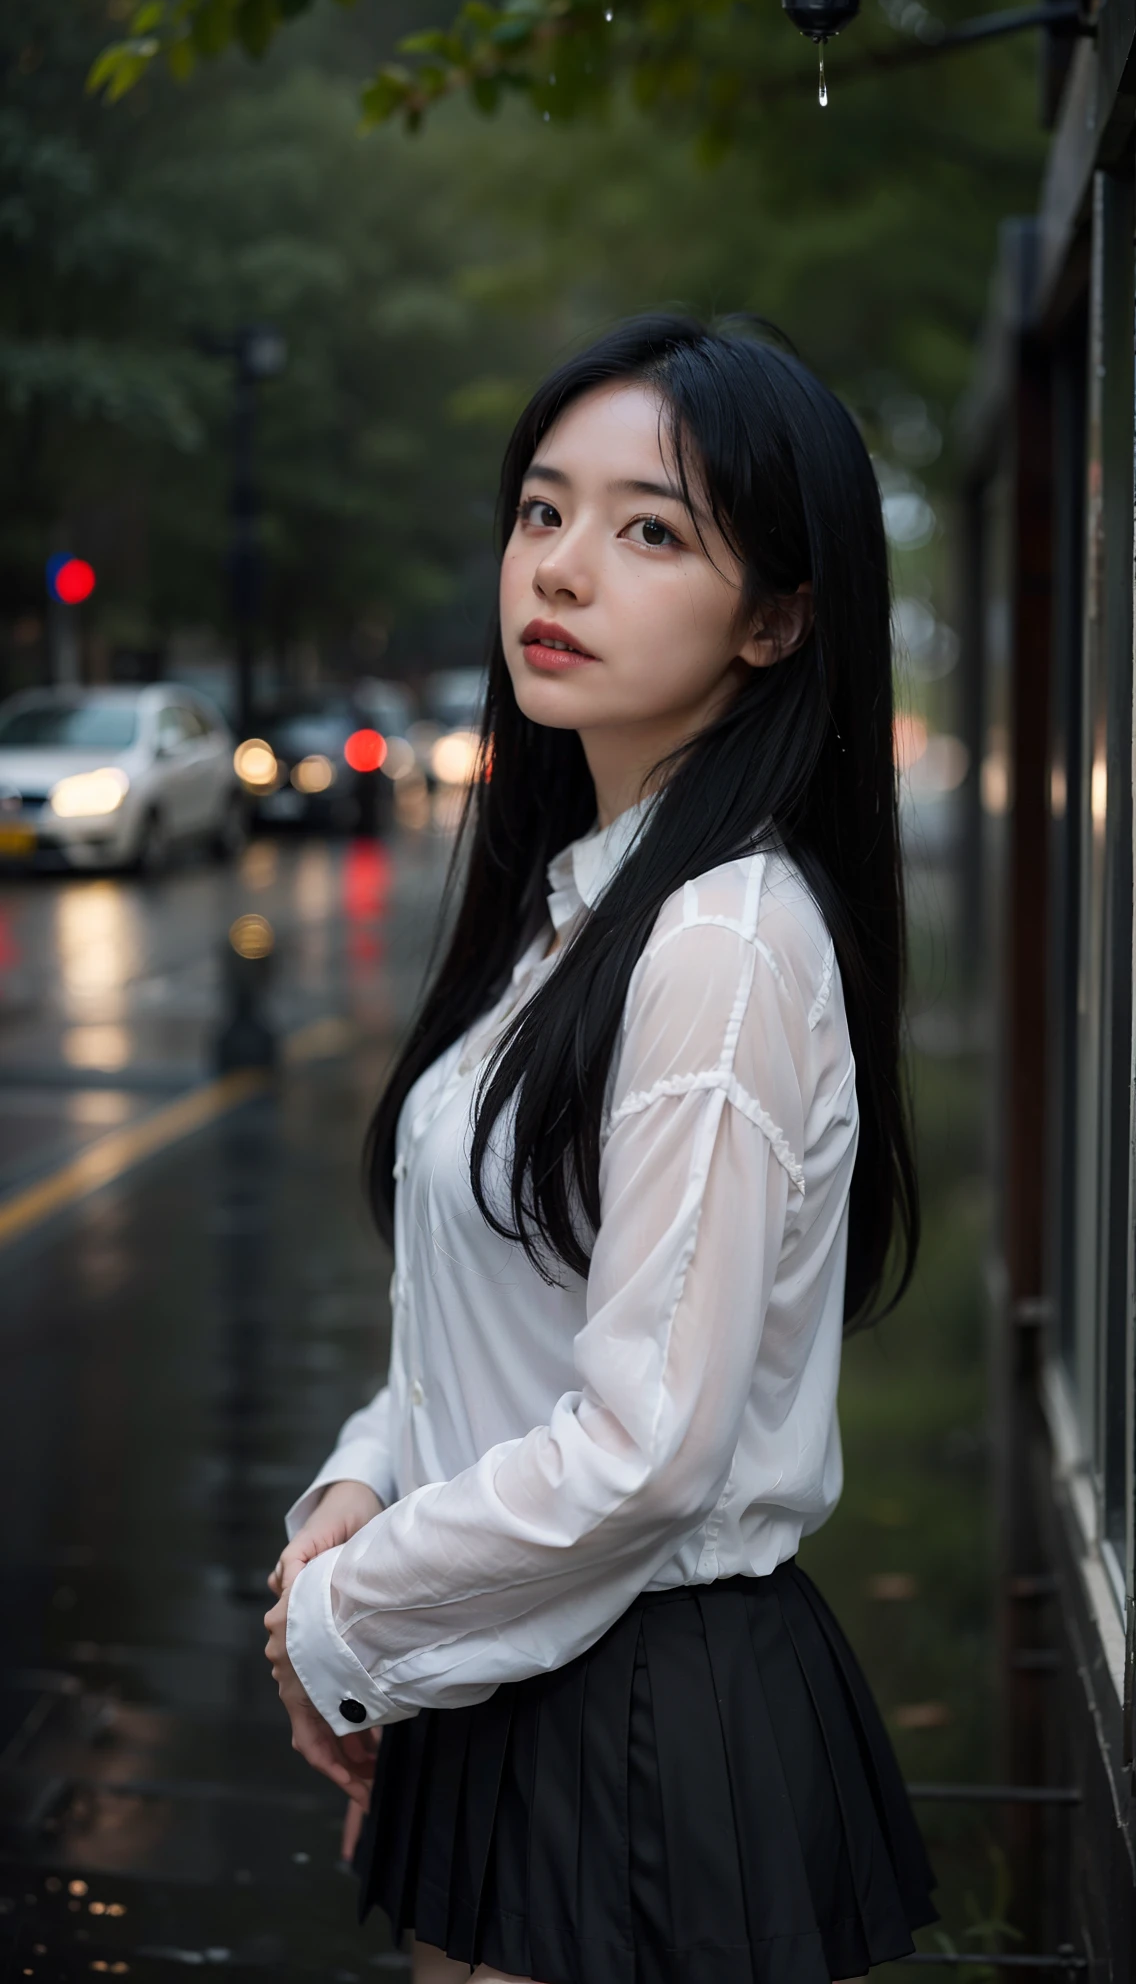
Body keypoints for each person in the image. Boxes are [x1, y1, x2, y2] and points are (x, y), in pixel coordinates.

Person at [264, 313, 937, 1984]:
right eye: (543, 511)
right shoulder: (577, 908)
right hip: (511, 1663)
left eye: (652, 531)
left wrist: (342, 1618)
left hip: (642, 1720)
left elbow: (647, 1443)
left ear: (779, 618)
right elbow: (502, 1314)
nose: (560, 572)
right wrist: (359, 1486)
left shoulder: (722, 941)